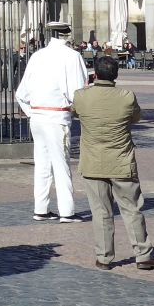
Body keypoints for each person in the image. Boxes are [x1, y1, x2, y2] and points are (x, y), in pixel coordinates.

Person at [72, 55, 154, 271]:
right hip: (121, 162)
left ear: (95, 74)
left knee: (101, 212)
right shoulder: (126, 96)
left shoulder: (81, 96)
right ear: (116, 74)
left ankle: (104, 257)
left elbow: (75, 112)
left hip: (93, 163)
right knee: (132, 209)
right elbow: (136, 118)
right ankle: (142, 255)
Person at [15, 20, 89, 222]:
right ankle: (67, 211)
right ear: (67, 35)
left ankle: (41, 208)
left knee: (42, 164)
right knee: (61, 164)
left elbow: (21, 93)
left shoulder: (37, 56)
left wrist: (31, 112)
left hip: (37, 117)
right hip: (57, 117)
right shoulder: (72, 56)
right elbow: (77, 92)